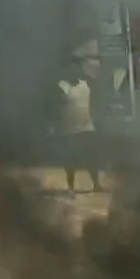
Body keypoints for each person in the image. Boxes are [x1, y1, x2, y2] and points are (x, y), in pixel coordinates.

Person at [58, 62, 102, 194]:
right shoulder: (62, 86)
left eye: (77, 68)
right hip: (70, 129)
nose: (75, 71)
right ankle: (70, 186)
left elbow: (94, 101)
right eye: (72, 68)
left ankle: (96, 184)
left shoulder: (86, 85)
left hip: (87, 126)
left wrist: (95, 115)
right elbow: (57, 104)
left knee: (91, 157)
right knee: (70, 159)